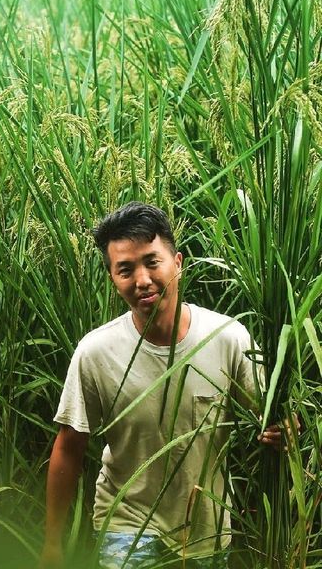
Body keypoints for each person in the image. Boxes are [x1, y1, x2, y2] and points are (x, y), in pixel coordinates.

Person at [39, 202, 286, 569]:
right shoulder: (96, 351)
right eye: (125, 270)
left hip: (206, 527)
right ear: (112, 278)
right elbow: (70, 446)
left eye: (152, 262)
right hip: (126, 524)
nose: (142, 280)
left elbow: (268, 421)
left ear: (178, 263)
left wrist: (283, 432)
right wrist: (53, 543)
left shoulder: (227, 337)